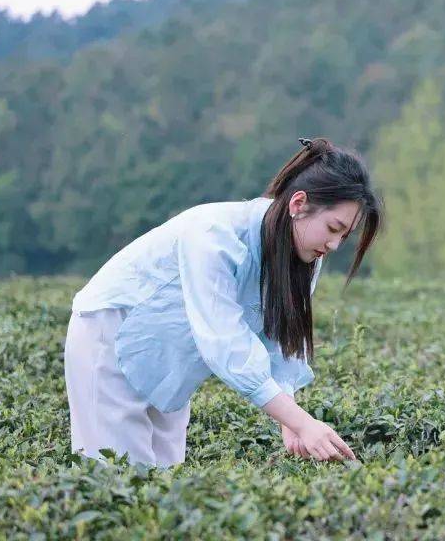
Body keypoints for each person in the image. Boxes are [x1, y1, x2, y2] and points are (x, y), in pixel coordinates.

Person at [64, 137, 382, 467]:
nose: (333, 245)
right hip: (110, 336)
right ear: (298, 204)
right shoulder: (214, 236)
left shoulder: (303, 259)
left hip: (168, 359)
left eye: (344, 237)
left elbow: (277, 342)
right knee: (117, 479)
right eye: (333, 228)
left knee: (162, 484)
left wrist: (290, 419)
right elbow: (225, 343)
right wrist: (302, 422)